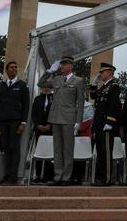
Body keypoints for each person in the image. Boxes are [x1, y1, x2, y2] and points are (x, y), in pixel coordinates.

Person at [37, 55, 86, 186]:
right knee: (57, 148)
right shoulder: (57, 79)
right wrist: (49, 72)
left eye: (65, 64)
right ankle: (58, 176)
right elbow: (41, 83)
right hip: (55, 117)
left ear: (71, 66)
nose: (62, 66)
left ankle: (66, 177)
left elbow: (80, 102)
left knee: (68, 149)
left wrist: (78, 121)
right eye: (61, 64)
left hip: (69, 118)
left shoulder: (78, 80)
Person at [0, 60, 30, 185]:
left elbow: (26, 105)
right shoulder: (1, 86)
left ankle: (13, 176)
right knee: (6, 147)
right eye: (11, 67)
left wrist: (23, 123)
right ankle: (6, 174)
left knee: (14, 147)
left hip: (16, 121)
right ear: (6, 70)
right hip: (3, 121)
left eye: (15, 67)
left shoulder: (22, 86)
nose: (14, 69)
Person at [89, 62, 121, 186]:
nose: (101, 74)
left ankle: (107, 178)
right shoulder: (104, 87)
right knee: (100, 152)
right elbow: (94, 96)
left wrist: (110, 121)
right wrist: (93, 84)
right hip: (99, 124)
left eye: (102, 72)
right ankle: (99, 177)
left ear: (109, 72)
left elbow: (114, 105)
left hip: (107, 124)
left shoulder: (114, 86)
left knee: (106, 152)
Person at [30, 85, 54, 183]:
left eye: (48, 87)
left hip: (50, 129)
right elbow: (33, 113)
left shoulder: (54, 98)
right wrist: (37, 125)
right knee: (39, 151)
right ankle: (38, 174)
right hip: (39, 129)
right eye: (44, 87)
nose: (46, 88)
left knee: (50, 152)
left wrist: (50, 124)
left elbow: (55, 112)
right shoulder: (37, 99)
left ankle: (49, 175)